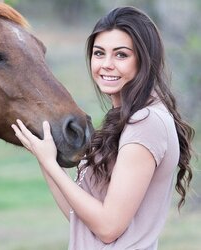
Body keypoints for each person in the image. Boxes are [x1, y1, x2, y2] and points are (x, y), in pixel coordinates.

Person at [11, 6, 195, 250]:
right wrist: (44, 158)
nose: (106, 64)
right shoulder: (126, 118)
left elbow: (108, 228)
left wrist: (50, 164)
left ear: (144, 60)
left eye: (121, 55)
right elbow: (79, 217)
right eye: (99, 53)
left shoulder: (147, 121)